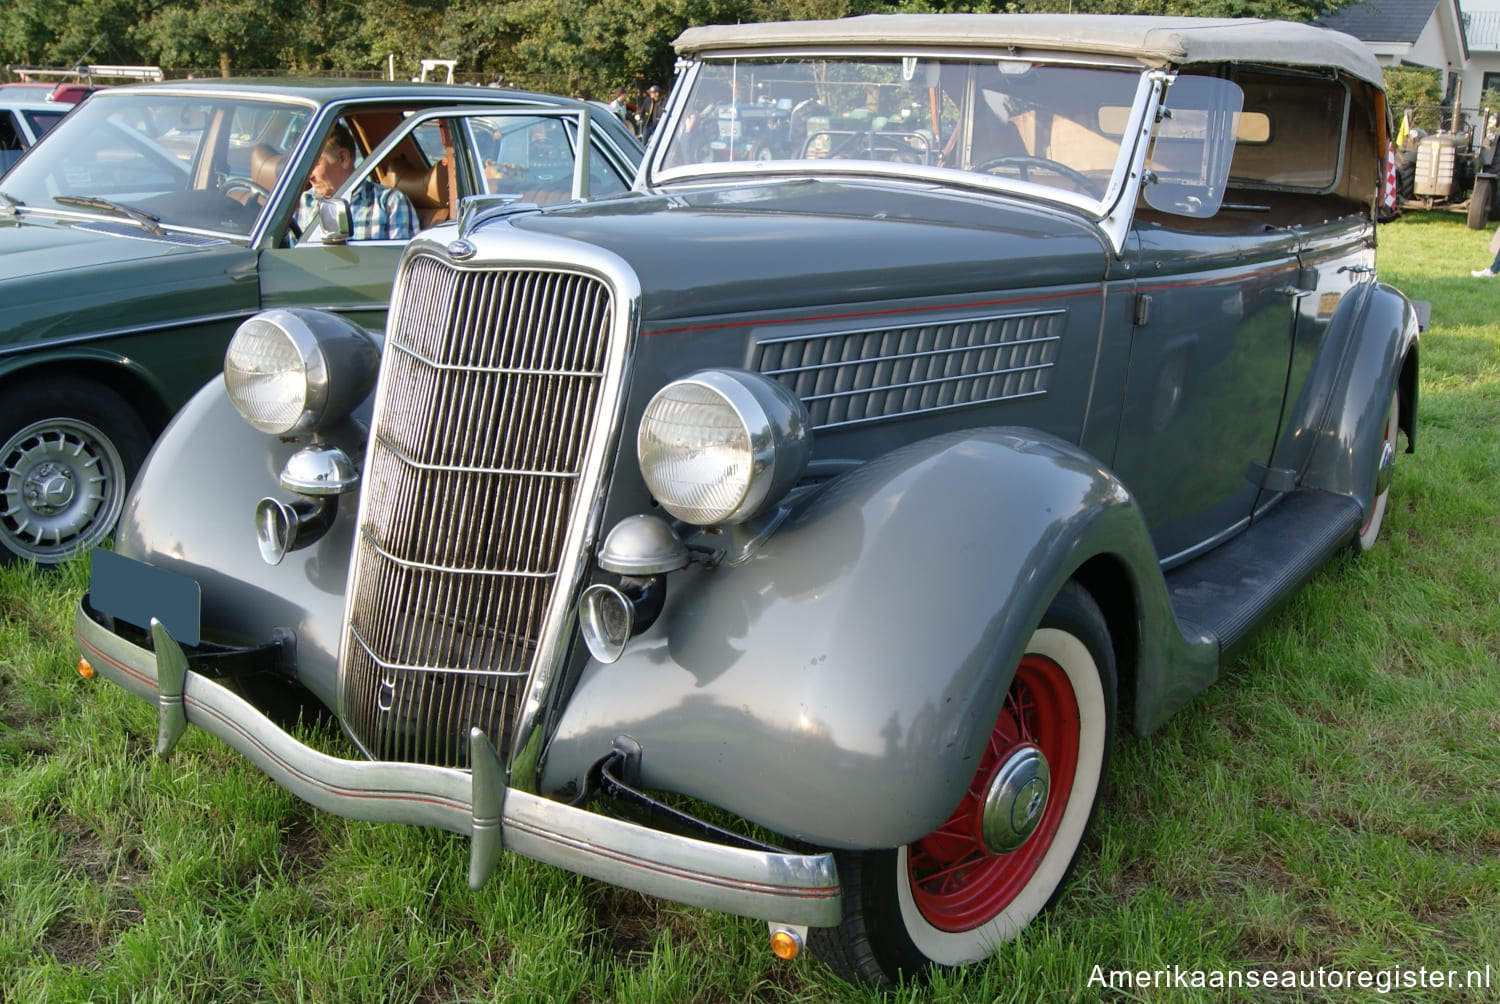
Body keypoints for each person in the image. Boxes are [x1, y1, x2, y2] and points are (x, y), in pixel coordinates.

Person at [294, 122, 416, 242]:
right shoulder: (301, 204)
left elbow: (405, 260)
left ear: (343, 158)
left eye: (314, 164)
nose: (309, 176)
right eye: (305, 166)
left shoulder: (390, 203)